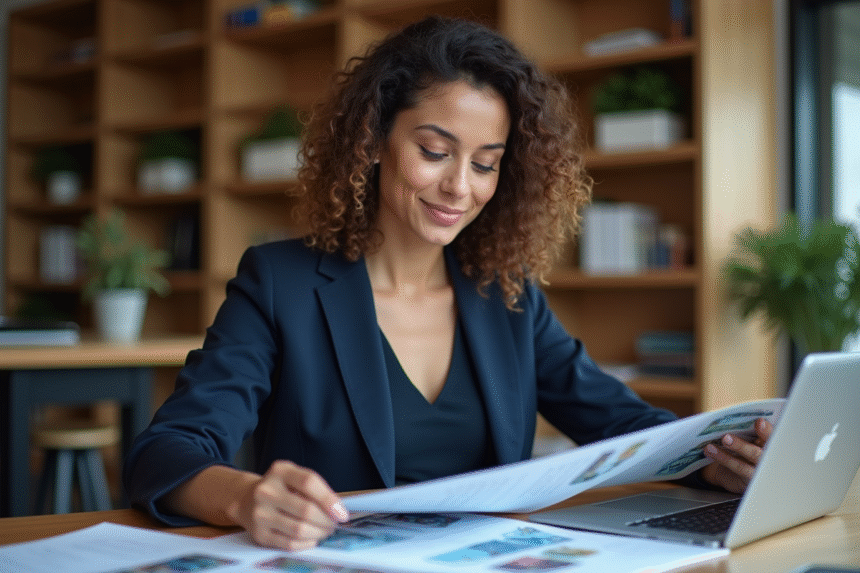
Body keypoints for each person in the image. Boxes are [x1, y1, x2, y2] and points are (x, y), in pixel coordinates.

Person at [124, 15, 772, 551]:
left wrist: (717, 459)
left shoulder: (506, 296)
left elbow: (626, 427)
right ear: (374, 141)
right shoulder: (280, 284)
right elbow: (167, 450)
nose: (460, 187)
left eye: (485, 164)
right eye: (435, 152)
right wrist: (245, 497)